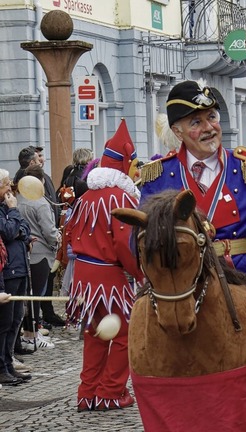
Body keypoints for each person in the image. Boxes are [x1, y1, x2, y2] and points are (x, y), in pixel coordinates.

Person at [138, 79, 246, 430]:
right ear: (177, 130)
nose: (209, 128)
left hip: (245, 272)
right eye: (196, 122)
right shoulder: (158, 176)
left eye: (212, 117)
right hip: (183, 280)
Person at [64, 119, 144, 411]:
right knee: (124, 335)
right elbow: (126, 245)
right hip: (108, 277)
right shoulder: (120, 198)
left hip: (83, 277)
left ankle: (87, 393)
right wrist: (140, 273)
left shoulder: (86, 198)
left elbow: (69, 234)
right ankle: (110, 392)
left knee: (95, 334)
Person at [16, 165, 59, 350]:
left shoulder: (17, 199)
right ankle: (31, 335)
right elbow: (49, 231)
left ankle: (30, 333)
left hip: (23, 253)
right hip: (40, 253)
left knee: (27, 295)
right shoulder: (40, 203)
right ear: (40, 182)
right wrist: (58, 239)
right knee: (36, 296)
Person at [0, 168, 32, 386]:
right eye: (6, 184)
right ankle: (2, 367)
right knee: (5, 323)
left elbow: (25, 230)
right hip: (8, 271)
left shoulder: (7, 208)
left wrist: (16, 221)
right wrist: (14, 213)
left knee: (15, 321)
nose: (10, 187)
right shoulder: (7, 209)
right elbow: (8, 232)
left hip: (20, 267)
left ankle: (9, 363)